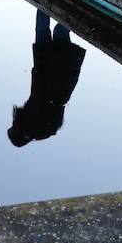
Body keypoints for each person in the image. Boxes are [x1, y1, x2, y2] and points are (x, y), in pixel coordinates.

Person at [7, 10, 87, 147]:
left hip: (58, 72)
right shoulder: (30, 126)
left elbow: (52, 107)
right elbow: (38, 94)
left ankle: (74, 8)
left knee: (57, 31)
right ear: (18, 132)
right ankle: (77, 8)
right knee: (49, 29)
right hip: (51, 69)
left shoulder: (42, 129)